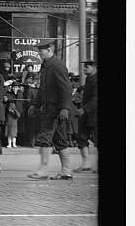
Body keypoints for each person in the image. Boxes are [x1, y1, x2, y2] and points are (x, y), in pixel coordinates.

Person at [27, 41, 77, 180]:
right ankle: (66, 171)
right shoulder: (46, 65)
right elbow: (43, 89)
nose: (39, 53)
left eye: (41, 51)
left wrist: (65, 108)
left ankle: (43, 170)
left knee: (44, 138)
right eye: (38, 51)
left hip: (55, 110)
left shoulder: (57, 65)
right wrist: (35, 105)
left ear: (50, 49)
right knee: (60, 140)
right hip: (50, 108)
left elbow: (66, 88)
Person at [74, 59, 97, 172]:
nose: (84, 69)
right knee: (81, 138)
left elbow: (96, 98)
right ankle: (86, 163)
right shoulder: (88, 79)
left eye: (87, 67)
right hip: (86, 115)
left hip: (95, 115)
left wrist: (84, 109)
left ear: (94, 67)